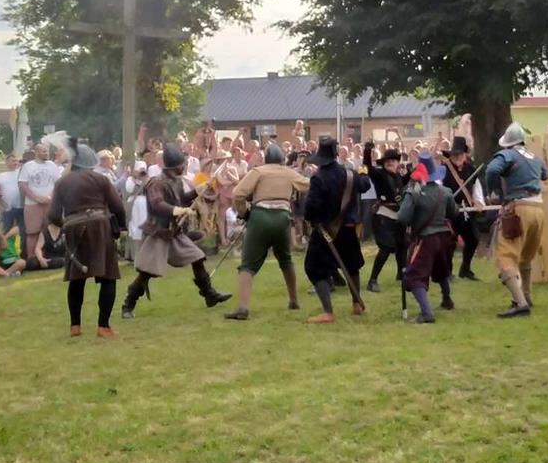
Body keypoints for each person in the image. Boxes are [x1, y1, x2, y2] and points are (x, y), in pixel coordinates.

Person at [122, 146, 231, 319]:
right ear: (174, 167)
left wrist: (197, 190)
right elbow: (157, 204)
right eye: (182, 165)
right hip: (159, 233)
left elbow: (181, 199)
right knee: (147, 272)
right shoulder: (156, 183)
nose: (184, 167)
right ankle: (128, 304)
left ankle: (209, 294)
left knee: (197, 258)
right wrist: (176, 210)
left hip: (174, 233)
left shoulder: (177, 181)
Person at [49, 141, 128, 338]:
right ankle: (103, 327)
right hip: (100, 228)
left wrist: (66, 225)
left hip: (74, 230)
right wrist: (121, 228)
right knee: (108, 277)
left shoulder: (62, 183)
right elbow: (118, 207)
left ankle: (75, 326)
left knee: (76, 279)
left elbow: (53, 215)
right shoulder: (101, 180)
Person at [224, 143, 309, 320]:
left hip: (260, 217)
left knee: (247, 265)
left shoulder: (258, 172)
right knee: (286, 260)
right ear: (282, 159)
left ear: (266, 159)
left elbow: (238, 193)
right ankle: (294, 300)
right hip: (283, 217)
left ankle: (243, 308)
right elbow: (308, 185)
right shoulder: (288, 172)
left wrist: (244, 213)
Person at [300, 136, 373, 324]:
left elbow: (310, 208)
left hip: (326, 230)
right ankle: (356, 304)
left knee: (314, 268)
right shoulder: (350, 174)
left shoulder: (318, 178)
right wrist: (363, 170)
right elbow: (365, 185)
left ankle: (328, 312)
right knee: (352, 266)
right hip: (348, 228)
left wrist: (312, 220)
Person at [482, 123, 548, 318]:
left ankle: (520, 303)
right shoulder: (535, 157)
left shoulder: (507, 155)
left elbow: (491, 170)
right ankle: (526, 295)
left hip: (518, 208)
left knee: (505, 257)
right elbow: (545, 174)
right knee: (526, 257)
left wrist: (494, 191)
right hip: (538, 209)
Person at [396, 151, 459, 324]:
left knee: (415, 275)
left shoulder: (413, 193)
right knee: (441, 269)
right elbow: (454, 213)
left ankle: (426, 313)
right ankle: (447, 299)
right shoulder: (445, 192)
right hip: (444, 237)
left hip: (425, 239)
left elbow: (402, 217)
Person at [363, 141, 408, 292]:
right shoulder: (379, 175)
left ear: (397, 163)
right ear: (383, 163)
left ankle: (401, 275)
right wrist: (367, 151)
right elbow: (367, 167)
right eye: (388, 160)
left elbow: (406, 181)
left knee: (402, 245)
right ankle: (372, 280)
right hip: (383, 214)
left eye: (393, 160)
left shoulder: (399, 177)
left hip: (398, 215)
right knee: (386, 247)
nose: (390, 162)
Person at [441, 136, 483, 280]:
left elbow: (476, 187)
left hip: (467, 212)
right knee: (449, 243)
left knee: (473, 239)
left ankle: (465, 269)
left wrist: (479, 202)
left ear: (465, 155)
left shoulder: (471, 169)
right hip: (449, 212)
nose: (457, 157)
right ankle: (447, 272)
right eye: (455, 154)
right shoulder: (444, 169)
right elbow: (438, 188)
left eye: (460, 154)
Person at [19, 144, 61, 270]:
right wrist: (37, 198)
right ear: (36, 152)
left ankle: (46, 256)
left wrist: (49, 197)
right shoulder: (28, 166)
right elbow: (23, 186)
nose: (46, 153)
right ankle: (32, 259)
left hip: (49, 203)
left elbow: (58, 183)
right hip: (32, 204)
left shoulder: (52, 165)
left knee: (48, 230)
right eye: (43, 151)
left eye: (47, 151)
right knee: (32, 232)